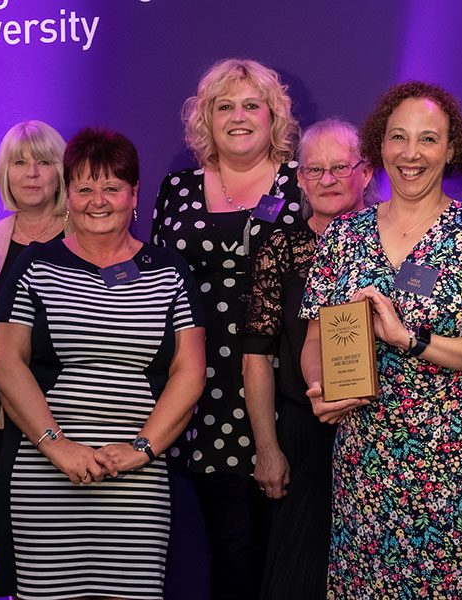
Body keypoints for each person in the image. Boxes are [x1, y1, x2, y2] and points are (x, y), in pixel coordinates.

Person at [299, 81, 462, 598]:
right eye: (398, 137)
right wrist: (322, 388)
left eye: (428, 139)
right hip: (366, 470)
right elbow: (315, 339)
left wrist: (411, 339)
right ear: (380, 145)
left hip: (456, 475)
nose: (411, 153)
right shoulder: (343, 237)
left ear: (452, 150)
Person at [0, 127, 206, 599]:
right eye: (85, 188)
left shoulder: (169, 269)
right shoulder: (36, 265)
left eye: (112, 187)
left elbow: (189, 371)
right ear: (68, 195)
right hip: (46, 477)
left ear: (134, 195)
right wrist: (57, 446)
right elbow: (6, 364)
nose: (98, 201)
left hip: (139, 483)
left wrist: (142, 449)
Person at [149, 57, 302, 598]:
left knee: (290, 551)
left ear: (274, 115)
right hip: (203, 385)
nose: (239, 117)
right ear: (205, 119)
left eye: (251, 105)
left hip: (290, 383)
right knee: (231, 549)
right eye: (224, 106)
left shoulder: (303, 180)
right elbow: (152, 284)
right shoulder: (177, 189)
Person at [243, 118, 376, 599]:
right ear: (298, 179)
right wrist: (267, 447)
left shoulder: (393, 241)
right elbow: (256, 355)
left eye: (340, 167)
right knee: (300, 570)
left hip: (383, 428)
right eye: (314, 169)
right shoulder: (280, 248)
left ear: (365, 172)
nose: (326, 180)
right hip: (304, 430)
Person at [0, 119, 68, 545]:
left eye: (44, 162)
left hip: (77, 412)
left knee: (70, 537)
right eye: (19, 162)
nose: (31, 173)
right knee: (15, 540)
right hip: (3, 417)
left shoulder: (92, 235)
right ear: (4, 173)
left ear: (61, 172)